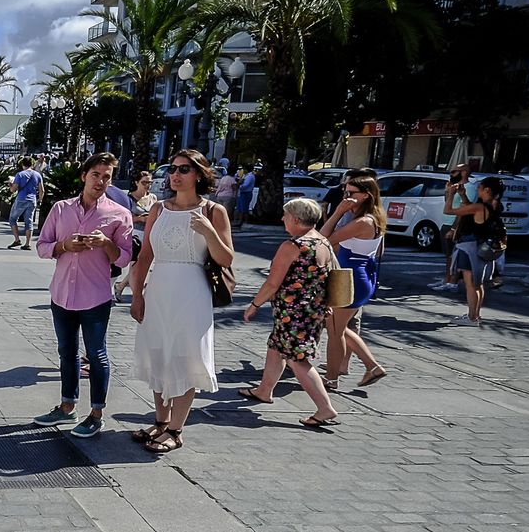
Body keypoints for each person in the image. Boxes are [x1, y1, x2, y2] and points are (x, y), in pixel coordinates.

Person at [127, 149, 232, 454]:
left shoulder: (214, 211)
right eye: (173, 168)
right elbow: (144, 255)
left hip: (192, 292)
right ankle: (160, 422)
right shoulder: (159, 209)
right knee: (159, 354)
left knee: (186, 358)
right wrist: (137, 295)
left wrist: (209, 231)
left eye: (184, 169)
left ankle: (176, 429)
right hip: (158, 290)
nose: (175, 174)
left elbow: (225, 258)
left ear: (199, 174)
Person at [32, 154, 135, 439]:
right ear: (84, 176)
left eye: (107, 176)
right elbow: (42, 246)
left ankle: (96, 413)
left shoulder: (119, 213)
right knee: (66, 352)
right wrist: (64, 245)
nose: (101, 181)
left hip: (95, 297)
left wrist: (106, 244)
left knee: (97, 355)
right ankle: (67, 407)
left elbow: (125, 258)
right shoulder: (61, 209)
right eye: (96, 175)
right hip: (62, 294)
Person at [235, 198, 341, 427]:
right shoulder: (322, 242)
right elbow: (330, 277)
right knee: (276, 346)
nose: (282, 219)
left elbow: (273, 283)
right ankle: (264, 390)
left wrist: (254, 305)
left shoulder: (293, 246)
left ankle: (325, 408)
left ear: (295, 218)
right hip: (313, 309)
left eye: (285, 215)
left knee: (298, 360)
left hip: (293, 312)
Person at [323, 174, 388, 389]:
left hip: (347, 278)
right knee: (338, 327)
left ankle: (332, 378)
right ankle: (372, 366)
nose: (346, 197)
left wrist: (338, 212)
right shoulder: (376, 218)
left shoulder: (362, 221)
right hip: (360, 275)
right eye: (345, 192)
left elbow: (323, 240)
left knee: (334, 332)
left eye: (351, 193)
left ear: (366, 195)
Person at [444, 175, 505, 328]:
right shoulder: (495, 205)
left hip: (470, 247)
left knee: (470, 283)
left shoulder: (479, 207)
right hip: (483, 248)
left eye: (479, 188)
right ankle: (475, 315)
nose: (477, 190)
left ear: (487, 190)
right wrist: (463, 195)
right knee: (478, 284)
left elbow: (448, 210)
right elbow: (469, 209)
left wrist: (450, 194)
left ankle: (471, 318)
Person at [7, 157, 44, 250]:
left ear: (22, 164)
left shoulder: (20, 175)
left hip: (21, 199)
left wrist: (10, 185)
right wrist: (40, 199)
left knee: (12, 219)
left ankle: (17, 239)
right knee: (29, 221)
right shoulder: (37, 175)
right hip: (32, 200)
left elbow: (13, 189)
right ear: (32, 164)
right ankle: (27, 243)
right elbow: (42, 190)